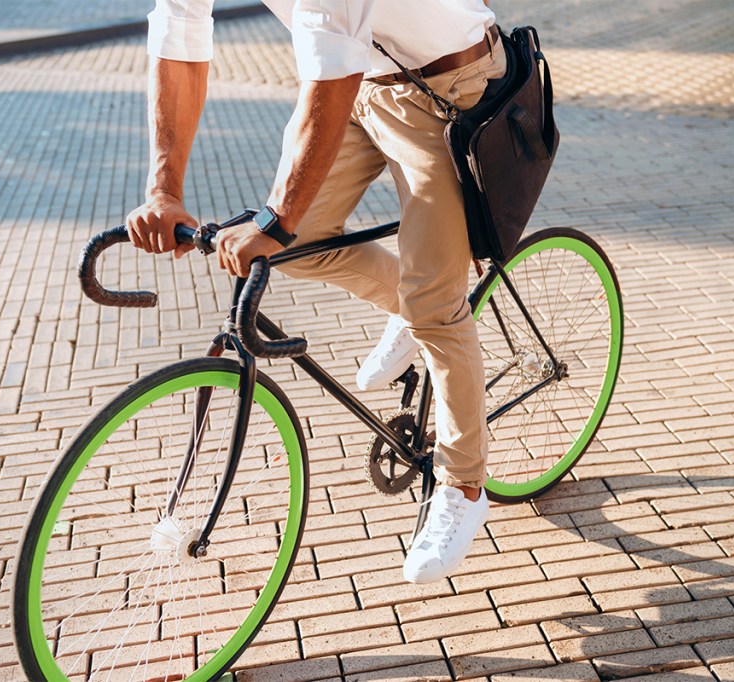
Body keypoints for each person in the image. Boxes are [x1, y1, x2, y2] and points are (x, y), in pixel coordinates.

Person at [125, 0, 506, 584]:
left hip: (448, 86)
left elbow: (330, 69)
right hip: (360, 86)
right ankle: (411, 310)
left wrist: (274, 220)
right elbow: (179, 33)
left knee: (436, 303)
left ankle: (463, 485)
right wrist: (163, 190)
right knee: (301, 246)